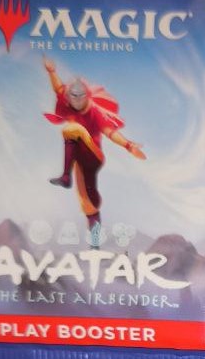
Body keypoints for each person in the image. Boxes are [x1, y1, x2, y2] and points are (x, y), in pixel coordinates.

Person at [42, 57, 146, 248]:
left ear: (86, 97)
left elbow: (110, 132)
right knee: (88, 204)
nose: (75, 102)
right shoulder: (67, 100)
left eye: (79, 98)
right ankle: (95, 243)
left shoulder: (95, 112)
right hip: (78, 158)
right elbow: (58, 88)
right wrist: (51, 71)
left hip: (93, 154)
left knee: (72, 129)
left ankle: (65, 177)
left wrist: (129, 145)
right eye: (72, 98)